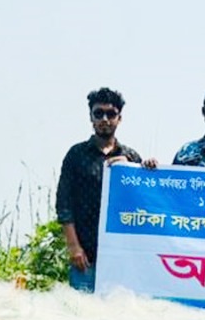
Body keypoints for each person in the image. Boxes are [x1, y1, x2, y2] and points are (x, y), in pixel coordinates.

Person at [56, 86, 142, 292]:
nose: (105, 119)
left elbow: (144, 203)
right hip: (85, 257)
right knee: (82, 317)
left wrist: (139, 168)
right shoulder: (76, 155)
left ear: (119, 118)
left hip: (121, 260)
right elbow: (64, 204)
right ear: (91, 117)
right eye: (99, 113)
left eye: (111, 114)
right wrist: (73, 247)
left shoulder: (131, 157)